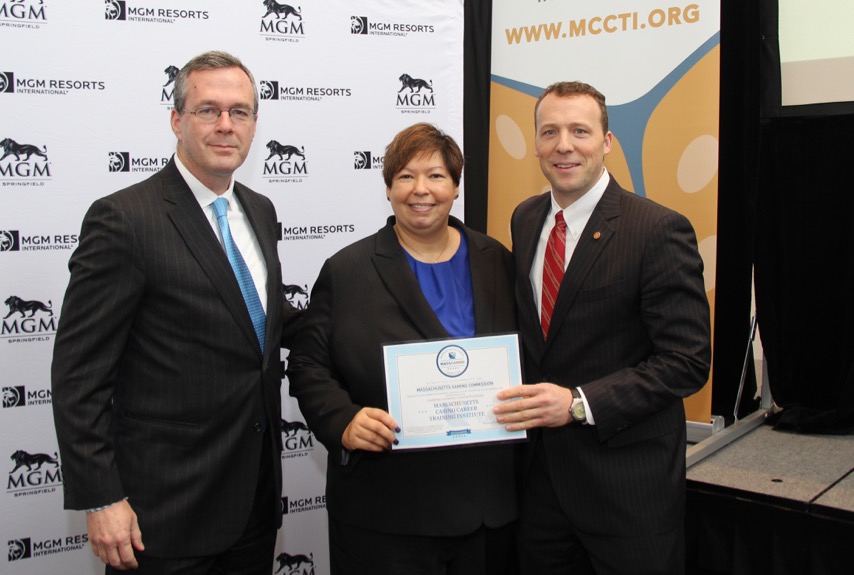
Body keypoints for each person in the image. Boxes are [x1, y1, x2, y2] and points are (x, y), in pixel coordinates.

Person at [51, 51, 301, 574]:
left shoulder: (260, 210)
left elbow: (264, 320)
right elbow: (79, 375)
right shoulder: (123, 219)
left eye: (241, 112)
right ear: (176, 120)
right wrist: (102, 498)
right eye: (208, 110)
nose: (226, 125)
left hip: (253, 501)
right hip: (159, 515)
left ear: (256, 124)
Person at [493, 81, 711, 574]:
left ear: (607, 142)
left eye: (579, 131)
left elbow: (686, 361)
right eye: (549, 132)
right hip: (542, 486)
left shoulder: (657, 230)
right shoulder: (525, 219)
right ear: (535, 145)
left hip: (626, 489)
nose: (563, 145)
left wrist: (577, 404)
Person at [287, 123, 518, 575]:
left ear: (455, 187)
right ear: (389, 188)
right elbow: (307, 362)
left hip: (486, 509)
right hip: (385, 511)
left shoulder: (498, 260)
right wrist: (342, 419)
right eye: (406, 176)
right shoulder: (347, 270)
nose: (421, 190)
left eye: (435, 176)